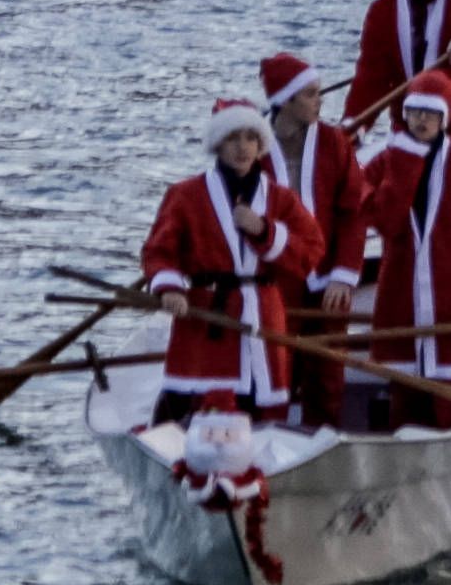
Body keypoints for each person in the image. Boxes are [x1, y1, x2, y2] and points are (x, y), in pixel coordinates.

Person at [337, 71, 451, 430]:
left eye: (429, 113)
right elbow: (383, 220)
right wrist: (405, 166)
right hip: (402, 308)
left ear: (444, 118)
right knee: (403, 408)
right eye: (414, 112)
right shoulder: (389, 162)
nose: (420, 120)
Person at [137, 94, 325, 424]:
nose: (243, 148)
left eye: (251, 138)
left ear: (260, 144)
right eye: (233, 138)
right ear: (217, 145)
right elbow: (158, 251)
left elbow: (311, 250)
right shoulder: (185, 195)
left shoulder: (280, 198)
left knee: (260, 401)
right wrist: (169, 288)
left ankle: (258, 461)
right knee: (201, 399)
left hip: (262, 316)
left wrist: (264, 230)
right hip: (207, 314)